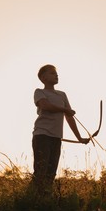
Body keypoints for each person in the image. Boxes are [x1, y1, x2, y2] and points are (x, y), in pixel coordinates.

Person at [31, 64, 89, 194]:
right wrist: (64, 109)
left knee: (51, 173)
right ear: (43, 77)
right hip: (42, 136)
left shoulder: (62, 95)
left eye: (56, 73)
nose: (56, 75)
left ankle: (45, 199)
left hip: (56, 137)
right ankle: (32, 198)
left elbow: (69, 117)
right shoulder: (39, 92)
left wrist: (79, 138)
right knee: (41, 170)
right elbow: (45, 106)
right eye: (52, 73)